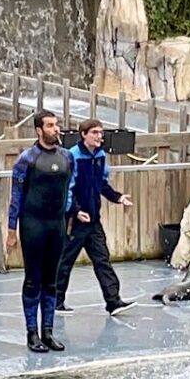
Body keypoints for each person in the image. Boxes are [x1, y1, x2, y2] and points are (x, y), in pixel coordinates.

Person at [7, 110, 86, 353]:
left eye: (57, 125)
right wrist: (11, 230)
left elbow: (69, 190)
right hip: (33, 225)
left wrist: (73, 213)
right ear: (39, 130)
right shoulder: (27, 159)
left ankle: (48, 332)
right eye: (50, 125)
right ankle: (32, 333)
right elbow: (16, 197)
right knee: (33, 280)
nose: (56, 129)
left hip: (56, 225)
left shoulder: (66, 158)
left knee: (51, 281)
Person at [55, 119, 137, 316]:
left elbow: (102, 184)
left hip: (92, 219)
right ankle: (55, 301)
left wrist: (117, 197)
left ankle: (113, 301)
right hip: (75, 221)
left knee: (102, 260)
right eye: (95, 132)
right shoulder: (72, 156)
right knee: (65, 261)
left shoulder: (100, 156)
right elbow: (67, 188)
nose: (100, 136)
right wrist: (74, 211)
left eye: (101, 132)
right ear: (83, 134)